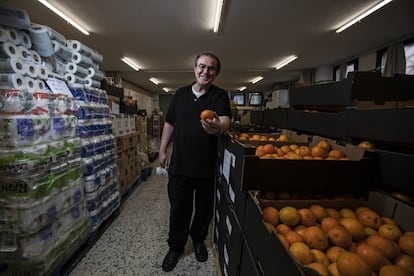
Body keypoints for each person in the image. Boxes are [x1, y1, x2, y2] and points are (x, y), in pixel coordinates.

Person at [158, 51, 232, 272]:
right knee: (179, 208)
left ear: (216, 73)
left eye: (211, 68)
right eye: (202, 66)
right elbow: (169, 124)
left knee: (203, 209)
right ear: (194, 68)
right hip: (179, 165)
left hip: (207, 166)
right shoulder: (180, 95)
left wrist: (218, 126)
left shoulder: (219, 96)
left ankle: (198, 239)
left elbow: (226, 120)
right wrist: (162, 150)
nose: (205, 71)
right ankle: (176, 246)